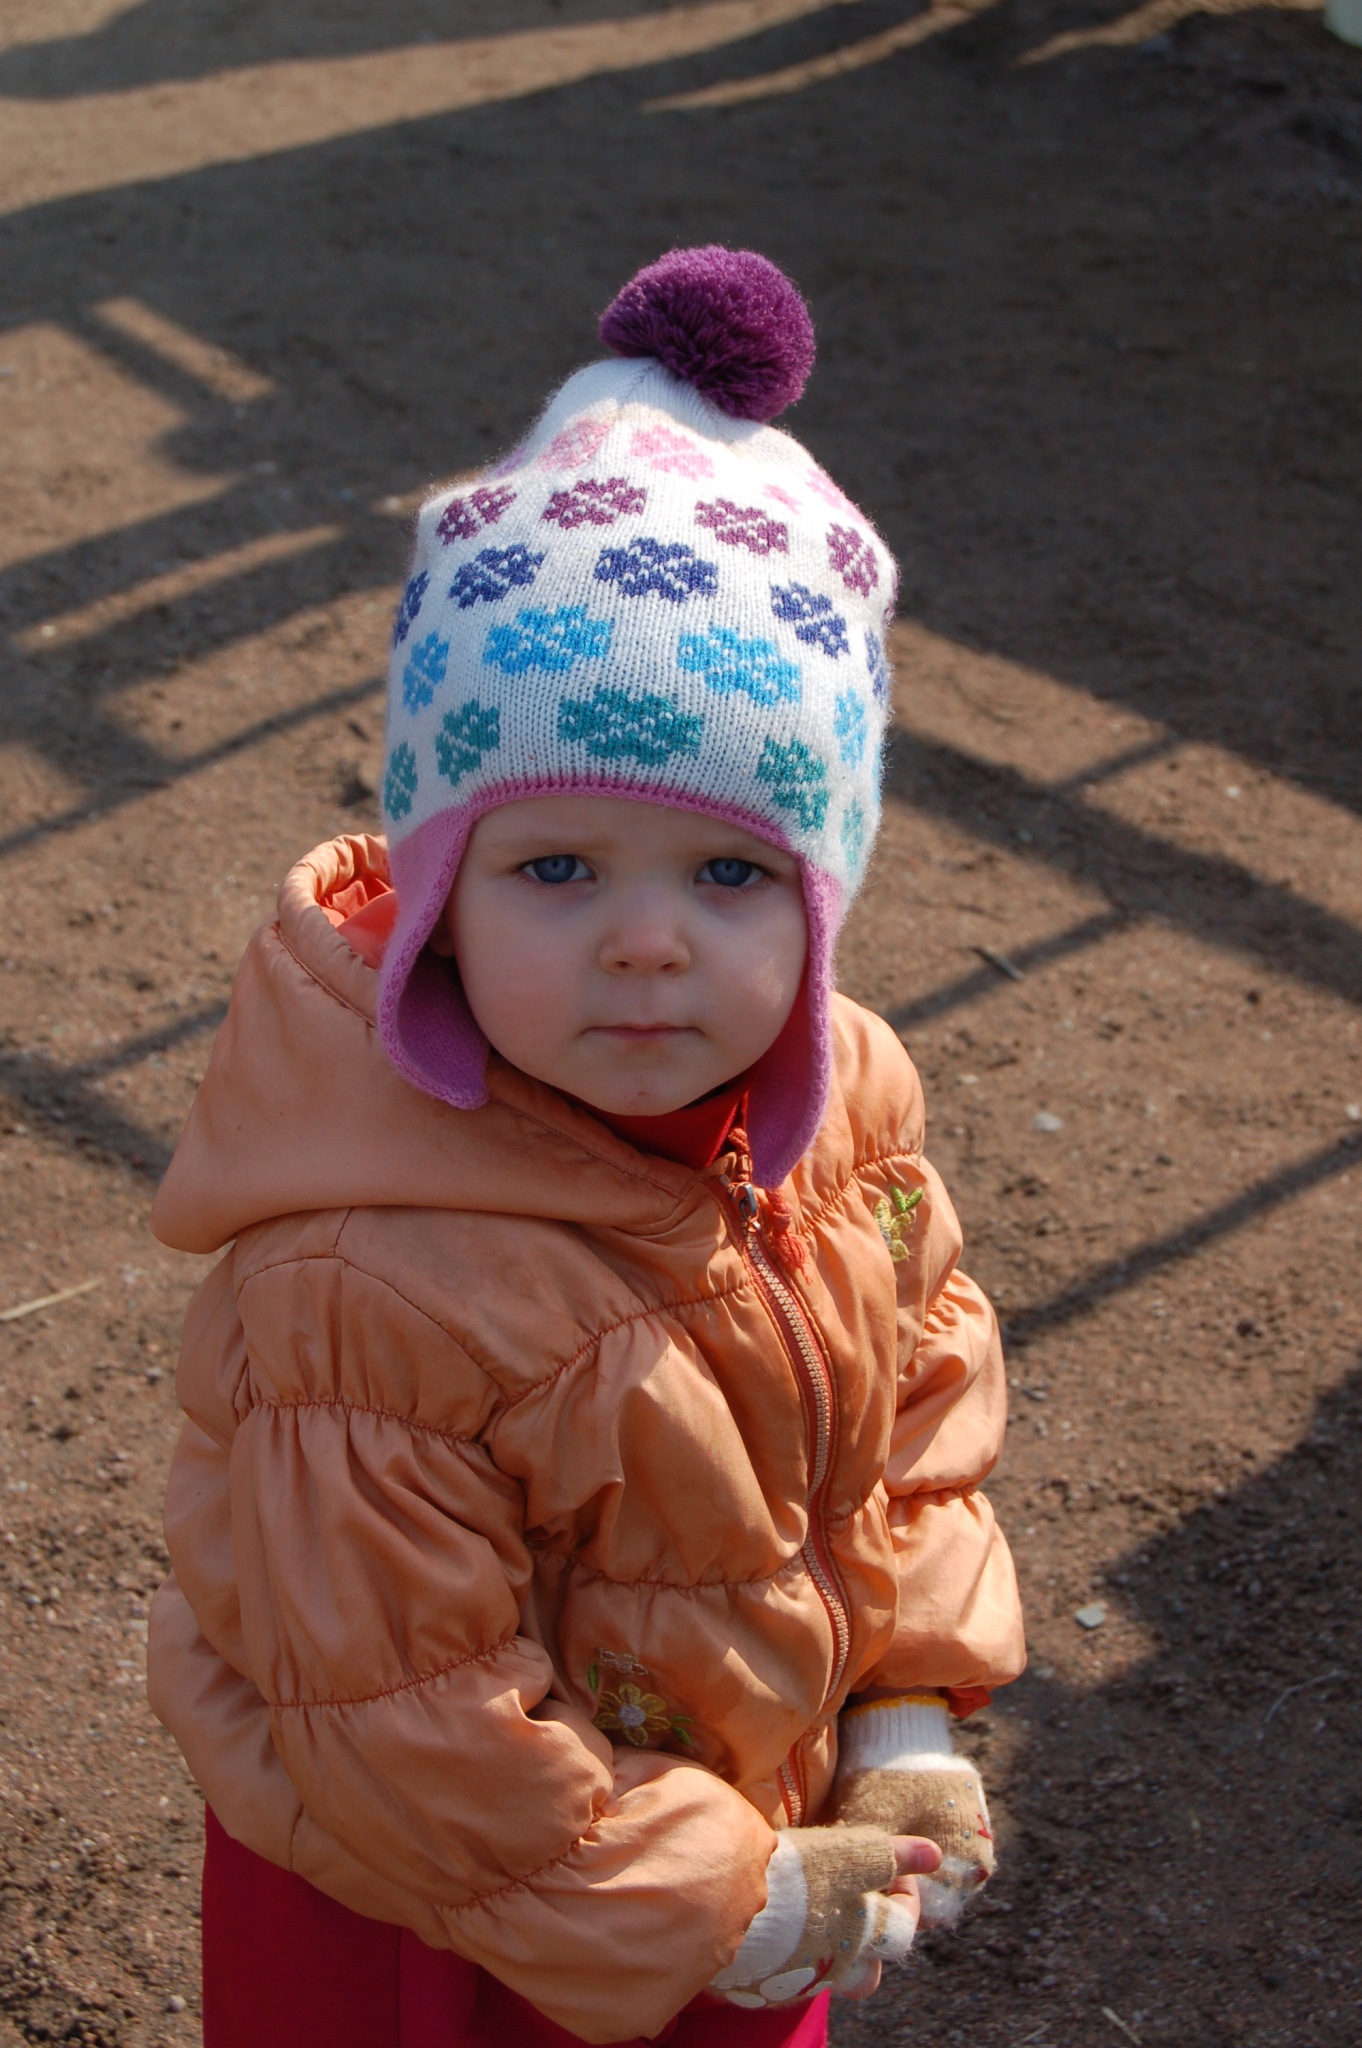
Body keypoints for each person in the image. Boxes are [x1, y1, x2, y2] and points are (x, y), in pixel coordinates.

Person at [148, 246, 1025, 2048]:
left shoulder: (845, 1108)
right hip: (445, 1918)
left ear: (821, 900)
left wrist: (904, 1709)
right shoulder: (360, 1286)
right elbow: (395, 1719)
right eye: (555, 867)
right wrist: (717, 1900)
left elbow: (915, 1412)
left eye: (727, 873)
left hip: (741, 1847)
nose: (645, 942)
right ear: (438, 902)